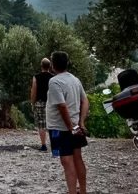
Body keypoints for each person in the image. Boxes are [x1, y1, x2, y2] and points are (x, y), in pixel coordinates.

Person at [46, 51, 89, 194]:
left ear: (52, 64)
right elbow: (85, 100)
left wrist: (70, 127)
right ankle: (82, 190)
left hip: (60, 128)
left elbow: (62, 106)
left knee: (66, 161)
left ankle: (71, 191)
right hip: (76, 126)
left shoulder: (54, 81)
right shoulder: (75, 79)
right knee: (78, 158)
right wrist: (81, 123)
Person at [30, 57, 54, 151]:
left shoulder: (36, 77)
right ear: (50, 66)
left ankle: (43, 145)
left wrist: (32, 102)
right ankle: (54, 144)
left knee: (41, 124)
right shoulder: (53, 78)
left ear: (41, 66)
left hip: (40, 102)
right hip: (51, 103)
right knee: (52, 124)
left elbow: (33, 91)